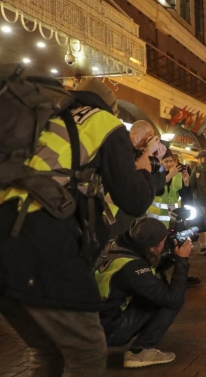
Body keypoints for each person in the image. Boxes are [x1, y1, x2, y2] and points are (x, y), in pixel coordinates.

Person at [0, 76, 156, 375]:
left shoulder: (50, 117)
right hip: (38, 238)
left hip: (7, 229)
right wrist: (144, 172)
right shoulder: (103, 123)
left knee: (49, 349)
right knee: (86, 350)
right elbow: (133, 200)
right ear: (112, 109)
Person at [95, 217, 192, 368]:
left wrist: (172, 257)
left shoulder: (116, 245)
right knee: (171, 299)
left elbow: (144, 270)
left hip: (91, 323)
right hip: (109, 331)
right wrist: (182, 261)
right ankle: (140, 352)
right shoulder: (132, 268)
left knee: (157, 293)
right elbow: (173, 298)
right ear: (153, 246)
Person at [147, 150, 191, 226]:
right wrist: (170, 175)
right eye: (166, 161)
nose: (169, 164)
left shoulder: (177, 174)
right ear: (160, 162)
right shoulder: (155, 174)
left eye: (171, 161)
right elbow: (156, 190)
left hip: (174, 218)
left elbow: (185, 196)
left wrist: (186, 183)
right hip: (155, 219)